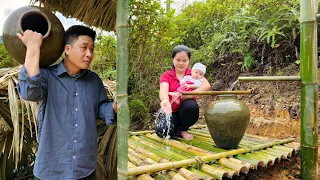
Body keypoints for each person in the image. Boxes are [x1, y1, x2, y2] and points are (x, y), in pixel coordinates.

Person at [17, 25, 116, 180]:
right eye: (84, 48)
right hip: (53, 169)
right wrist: (33, 47)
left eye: (92, 49)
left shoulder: (94, 80)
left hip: (85, 169)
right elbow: (29, 92)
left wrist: (114, 108)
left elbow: (100, 109)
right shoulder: (47, 76)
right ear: (67, 49)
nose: (89, 54)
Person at [156, 45, 211, 140]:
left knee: (191, 106)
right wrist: (165, 100)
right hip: (171, 110)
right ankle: (176, 127)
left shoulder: (194, 73)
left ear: (189, 61)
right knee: (162, 130)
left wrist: (188, 95)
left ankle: (183, 129)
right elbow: (163, 90)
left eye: (184, 61)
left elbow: (206, 85)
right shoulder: (166, 75)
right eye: (178, 60)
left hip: (186, 109)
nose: (181, 63)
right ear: (173, 59)